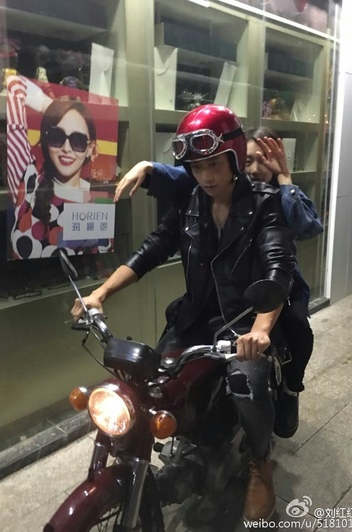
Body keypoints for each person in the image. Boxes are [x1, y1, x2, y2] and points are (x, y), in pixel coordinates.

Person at [72, 104, 296, 522]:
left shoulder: (266, 204)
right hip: (194, 319)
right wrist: (100, 293)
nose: (206, 176)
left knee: (247, 382)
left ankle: (259, 463)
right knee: (151, 382)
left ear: (233, 159)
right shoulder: (191, 201)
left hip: (243, 323)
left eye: (214, 164)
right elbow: (152, 250)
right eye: (197, 167)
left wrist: (262, 330)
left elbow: (277, 268)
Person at [114, 126, 323, 439]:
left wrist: (284, 180)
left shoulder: (276, 197)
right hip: (230, 291)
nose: (255, 168)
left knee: (297, 326)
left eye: (263, 160)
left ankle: (291, 390)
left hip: (278, 284)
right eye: (248, 160)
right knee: (170, 342)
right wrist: (149, 168)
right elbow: (191, 176)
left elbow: (307, 229)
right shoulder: (220, 189)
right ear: (237, 161)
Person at [6, 74, 112, 259]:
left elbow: (101, 261)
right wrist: (54, 109)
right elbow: (15, 86)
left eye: (78, 141)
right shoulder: (28, 175)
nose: (66, 149)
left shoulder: (97, 197)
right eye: (57, 136)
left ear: (90, 148)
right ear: (47, 139)